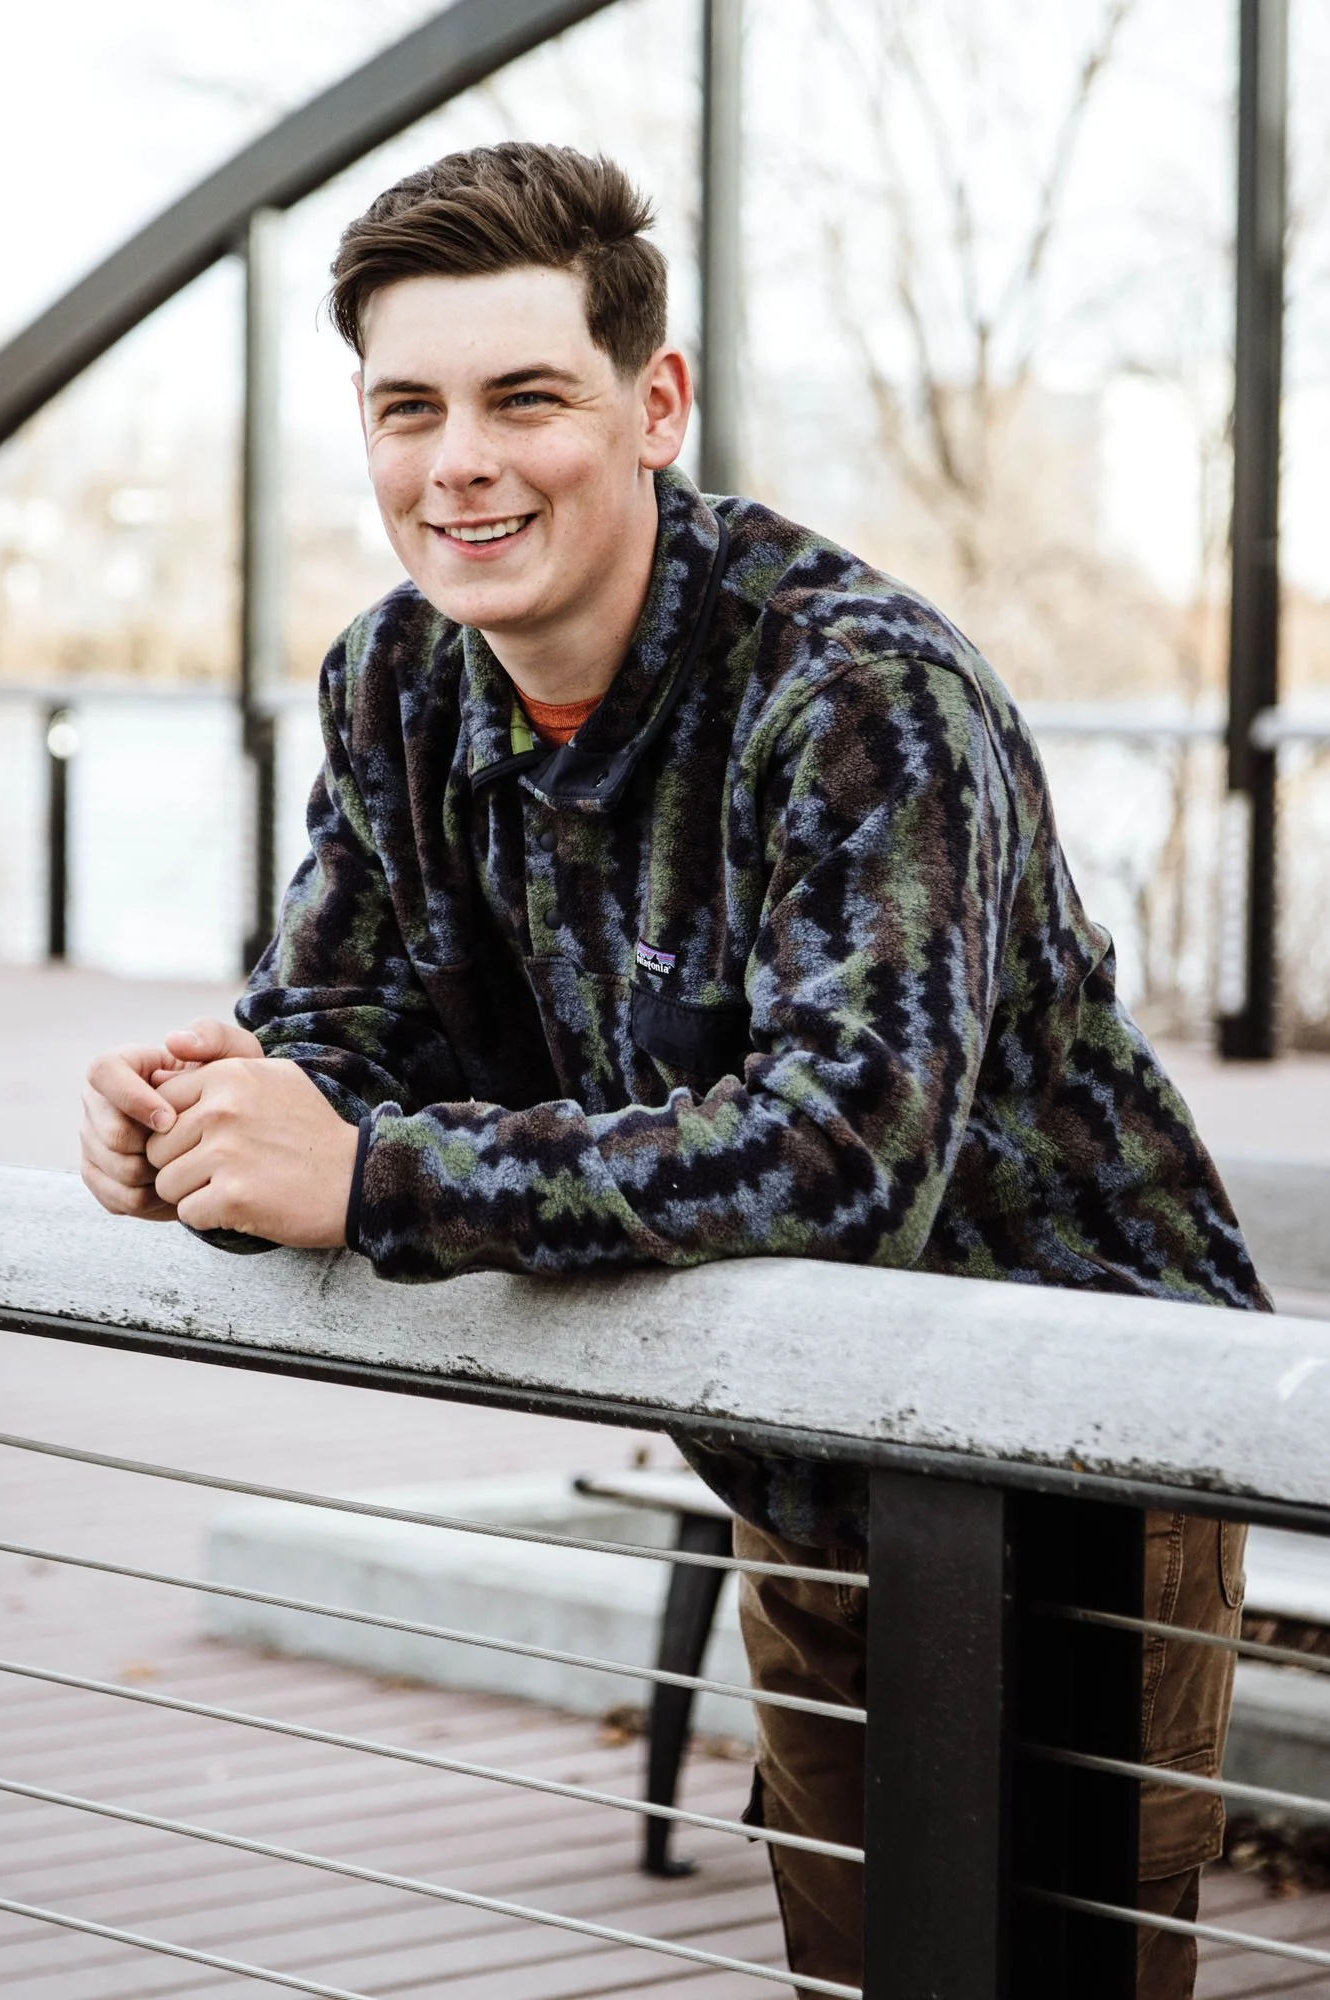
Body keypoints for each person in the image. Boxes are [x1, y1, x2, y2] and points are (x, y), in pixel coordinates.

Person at [81, 141, 1268, 1998]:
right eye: (408, 408)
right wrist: (201, 1131)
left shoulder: (857, 692)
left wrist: (375, 1179)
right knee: (859, 1967)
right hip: (803, 1466)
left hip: (1075, 1456)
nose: (456, 460)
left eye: (522, 397)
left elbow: (840, 1158)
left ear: (655, 405)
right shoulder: (395, 683)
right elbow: (333, 1040)